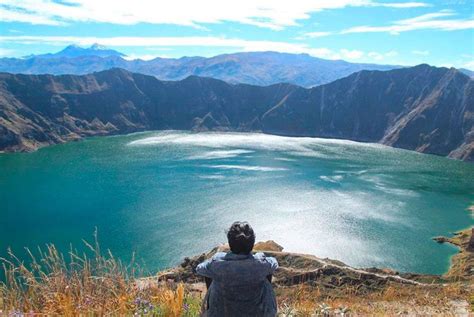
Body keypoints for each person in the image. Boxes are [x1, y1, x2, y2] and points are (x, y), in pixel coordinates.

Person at [195, 221, 279, 317]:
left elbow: (199, 269)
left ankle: (212, 307)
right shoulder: (261, 263)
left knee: (210, 273)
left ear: (230, 244)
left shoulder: (217, 263)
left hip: (222, 313)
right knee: (266, 274)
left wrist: (216, 258)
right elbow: (274, 263)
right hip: (257, 313)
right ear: (252, 244)